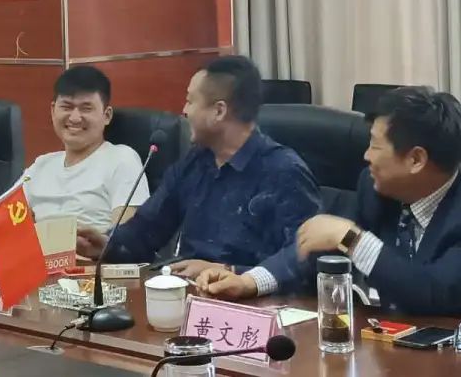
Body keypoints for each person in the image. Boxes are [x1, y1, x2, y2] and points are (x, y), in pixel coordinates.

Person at [197, 86, 461, 315]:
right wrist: (249, 281)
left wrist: (353, 240)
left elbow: (438, 293)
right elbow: (318, 248)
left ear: (416, 160)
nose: (366, 156)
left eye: (375, 145)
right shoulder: (375, 187)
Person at [76, 56, 320, 280]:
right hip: (189, 294)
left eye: (190, 100)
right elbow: (147, 229)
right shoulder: (196, 161)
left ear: (219, 111)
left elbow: (306, 260)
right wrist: (108, 244)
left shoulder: (283, 171)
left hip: (254, 304)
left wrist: (231, 272)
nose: (184, 110)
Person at [24, 66, 148, 230]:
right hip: (38, 246)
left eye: (86, 109)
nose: (75, 118)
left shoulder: (122, 159)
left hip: (91, 246)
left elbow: (126, 236)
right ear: (53, 111)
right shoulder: (40, 166)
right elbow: (2, 224)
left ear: (107, 115)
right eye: (67, 107)